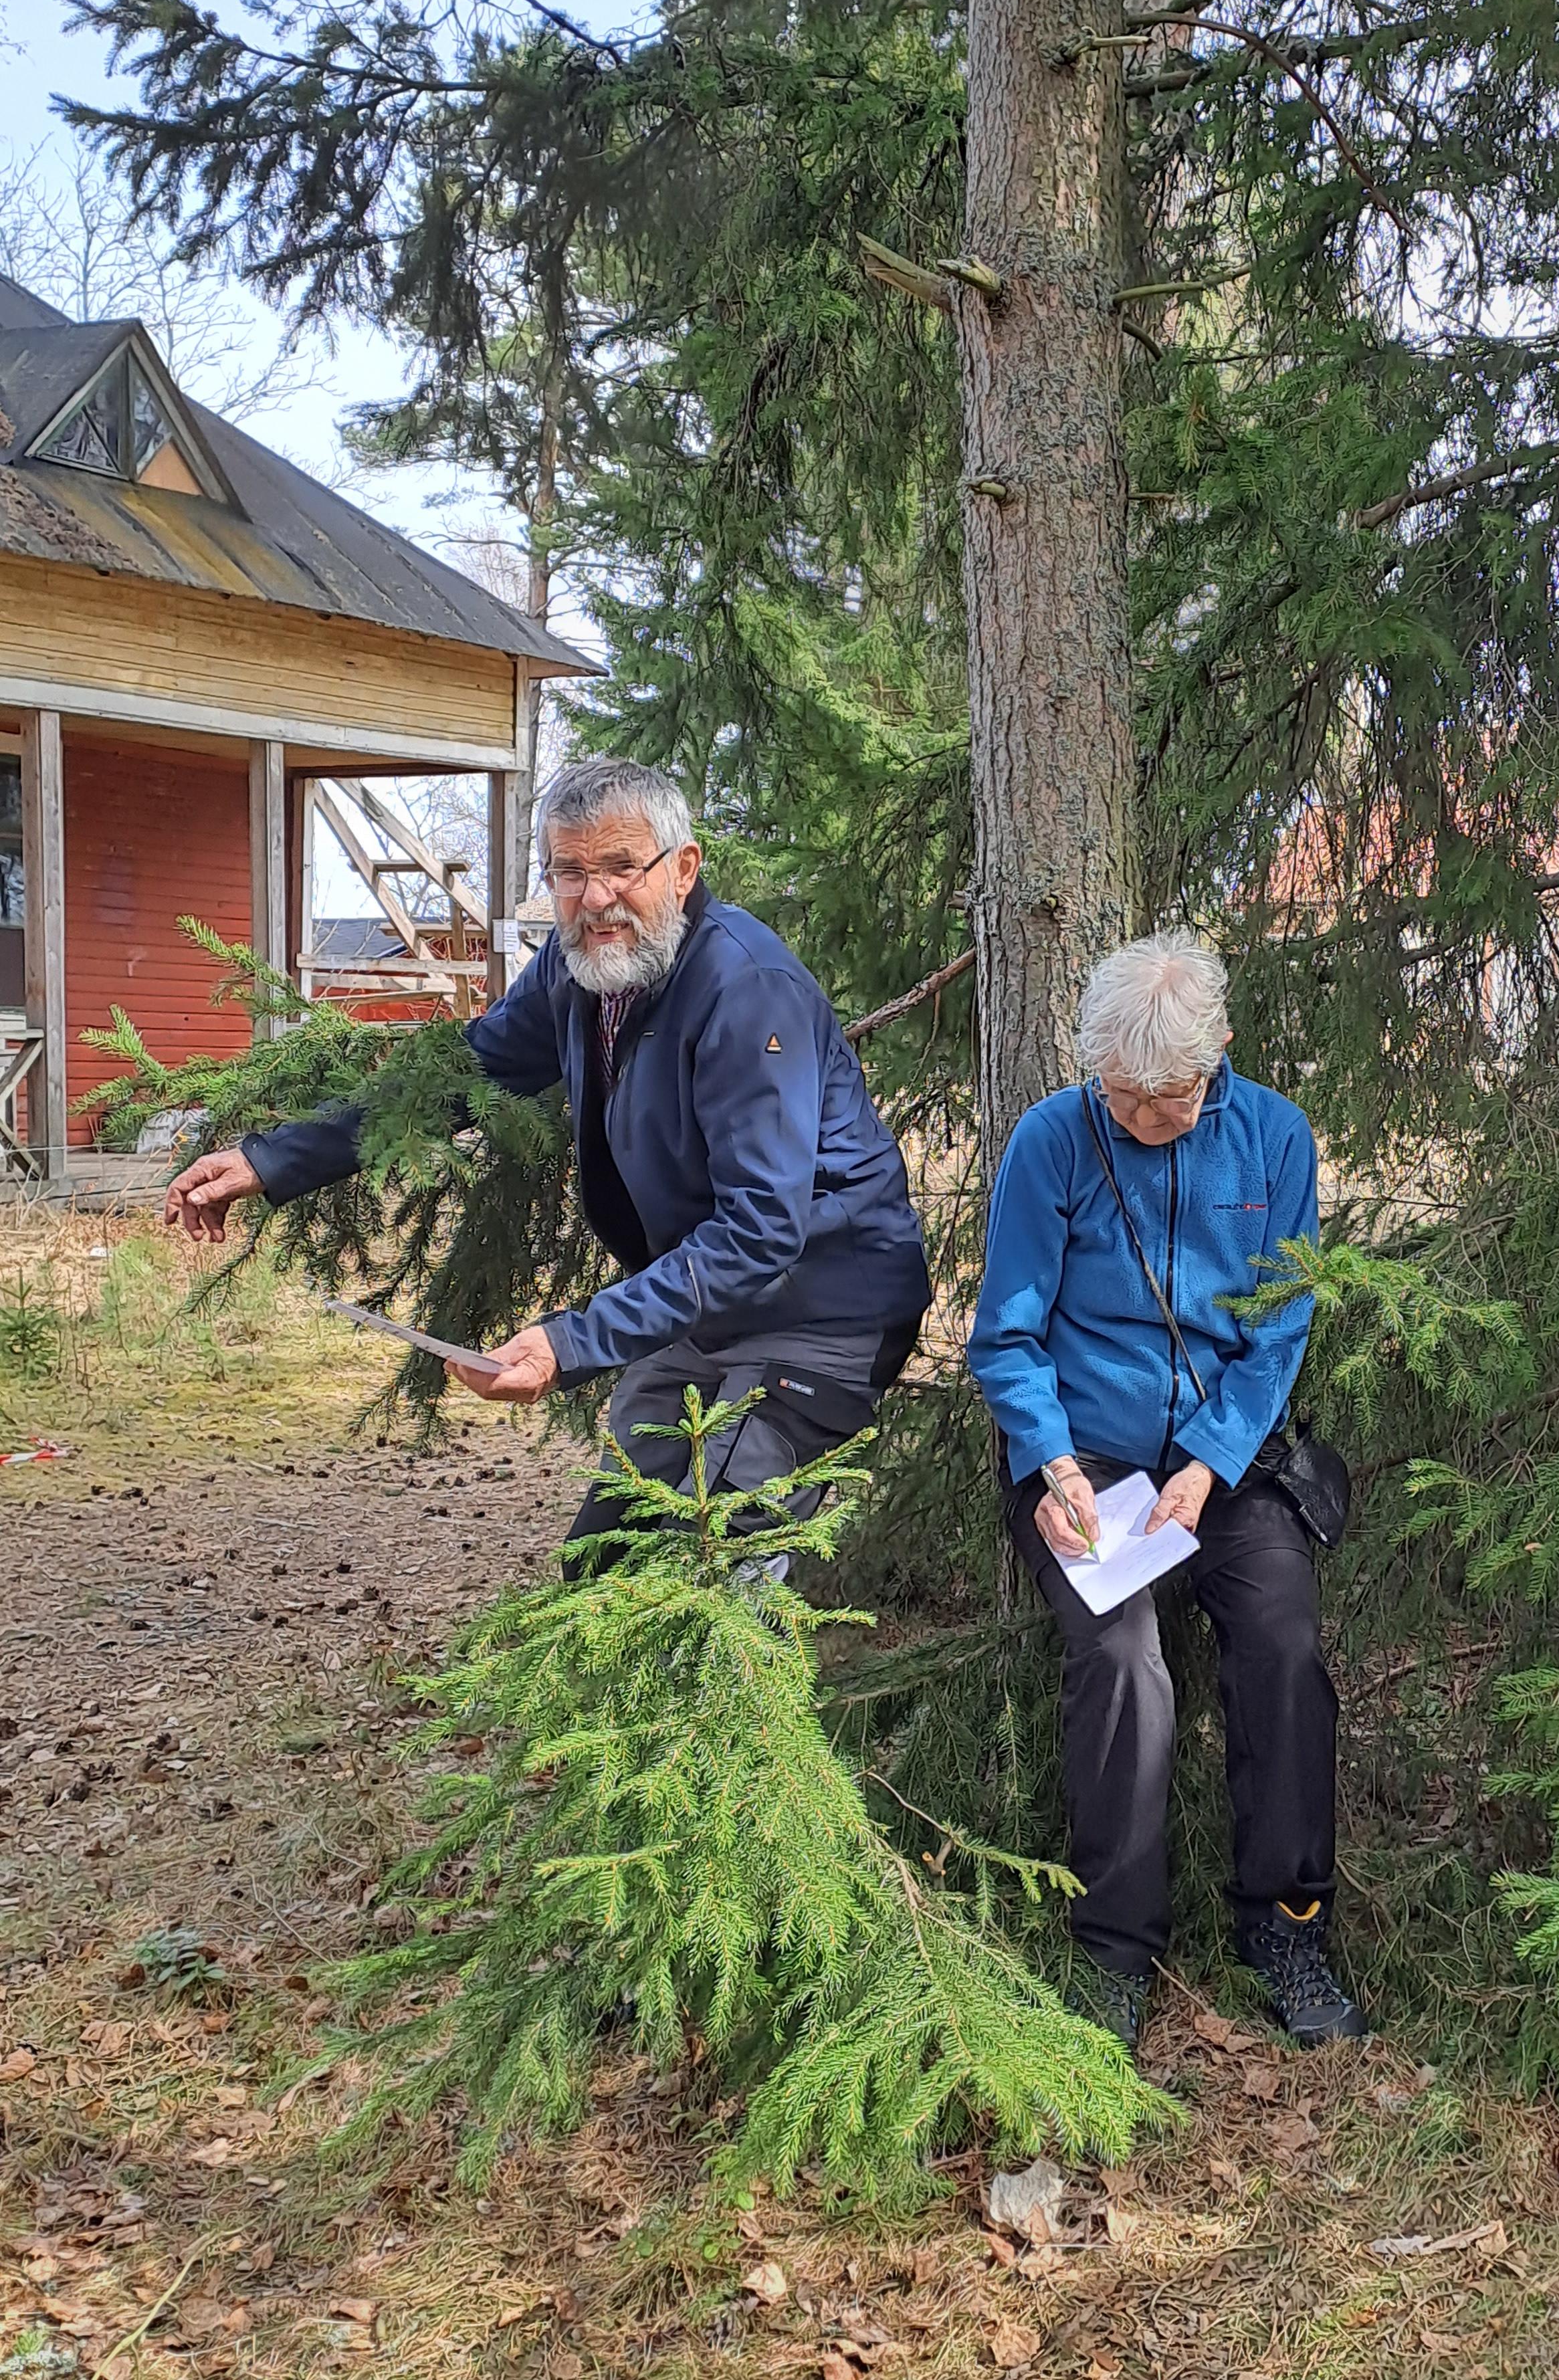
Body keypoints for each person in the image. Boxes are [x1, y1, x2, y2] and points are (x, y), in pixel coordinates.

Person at [163, 758, 932, 1565]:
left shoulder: (747, 989)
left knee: (719, 1566)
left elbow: (763, 1230)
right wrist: (272, 1161)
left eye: (619, 868)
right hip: (705, 1312)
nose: (595, 899)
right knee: (604, 1563)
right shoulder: (579, 973)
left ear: (683, 868)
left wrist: (572, 1341)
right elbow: (461, 1075)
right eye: (569, 871)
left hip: (824, 1317)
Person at [967, 930, 1361, 2053]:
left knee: (1282, 1642)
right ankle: (1114, 1947)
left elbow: (1282, 1324)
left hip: (1226, 1457)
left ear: (1220, 1054)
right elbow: (1006, 1335)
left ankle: (1287, 1920)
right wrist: (1048, 1466)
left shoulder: (1276, 1137)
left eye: (1170, 1099)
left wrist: (1209, 1463)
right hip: (1083, 1461)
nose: (1146, 1120)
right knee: (1120, 1658)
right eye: (1126, 1099)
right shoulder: (1052, 1141)